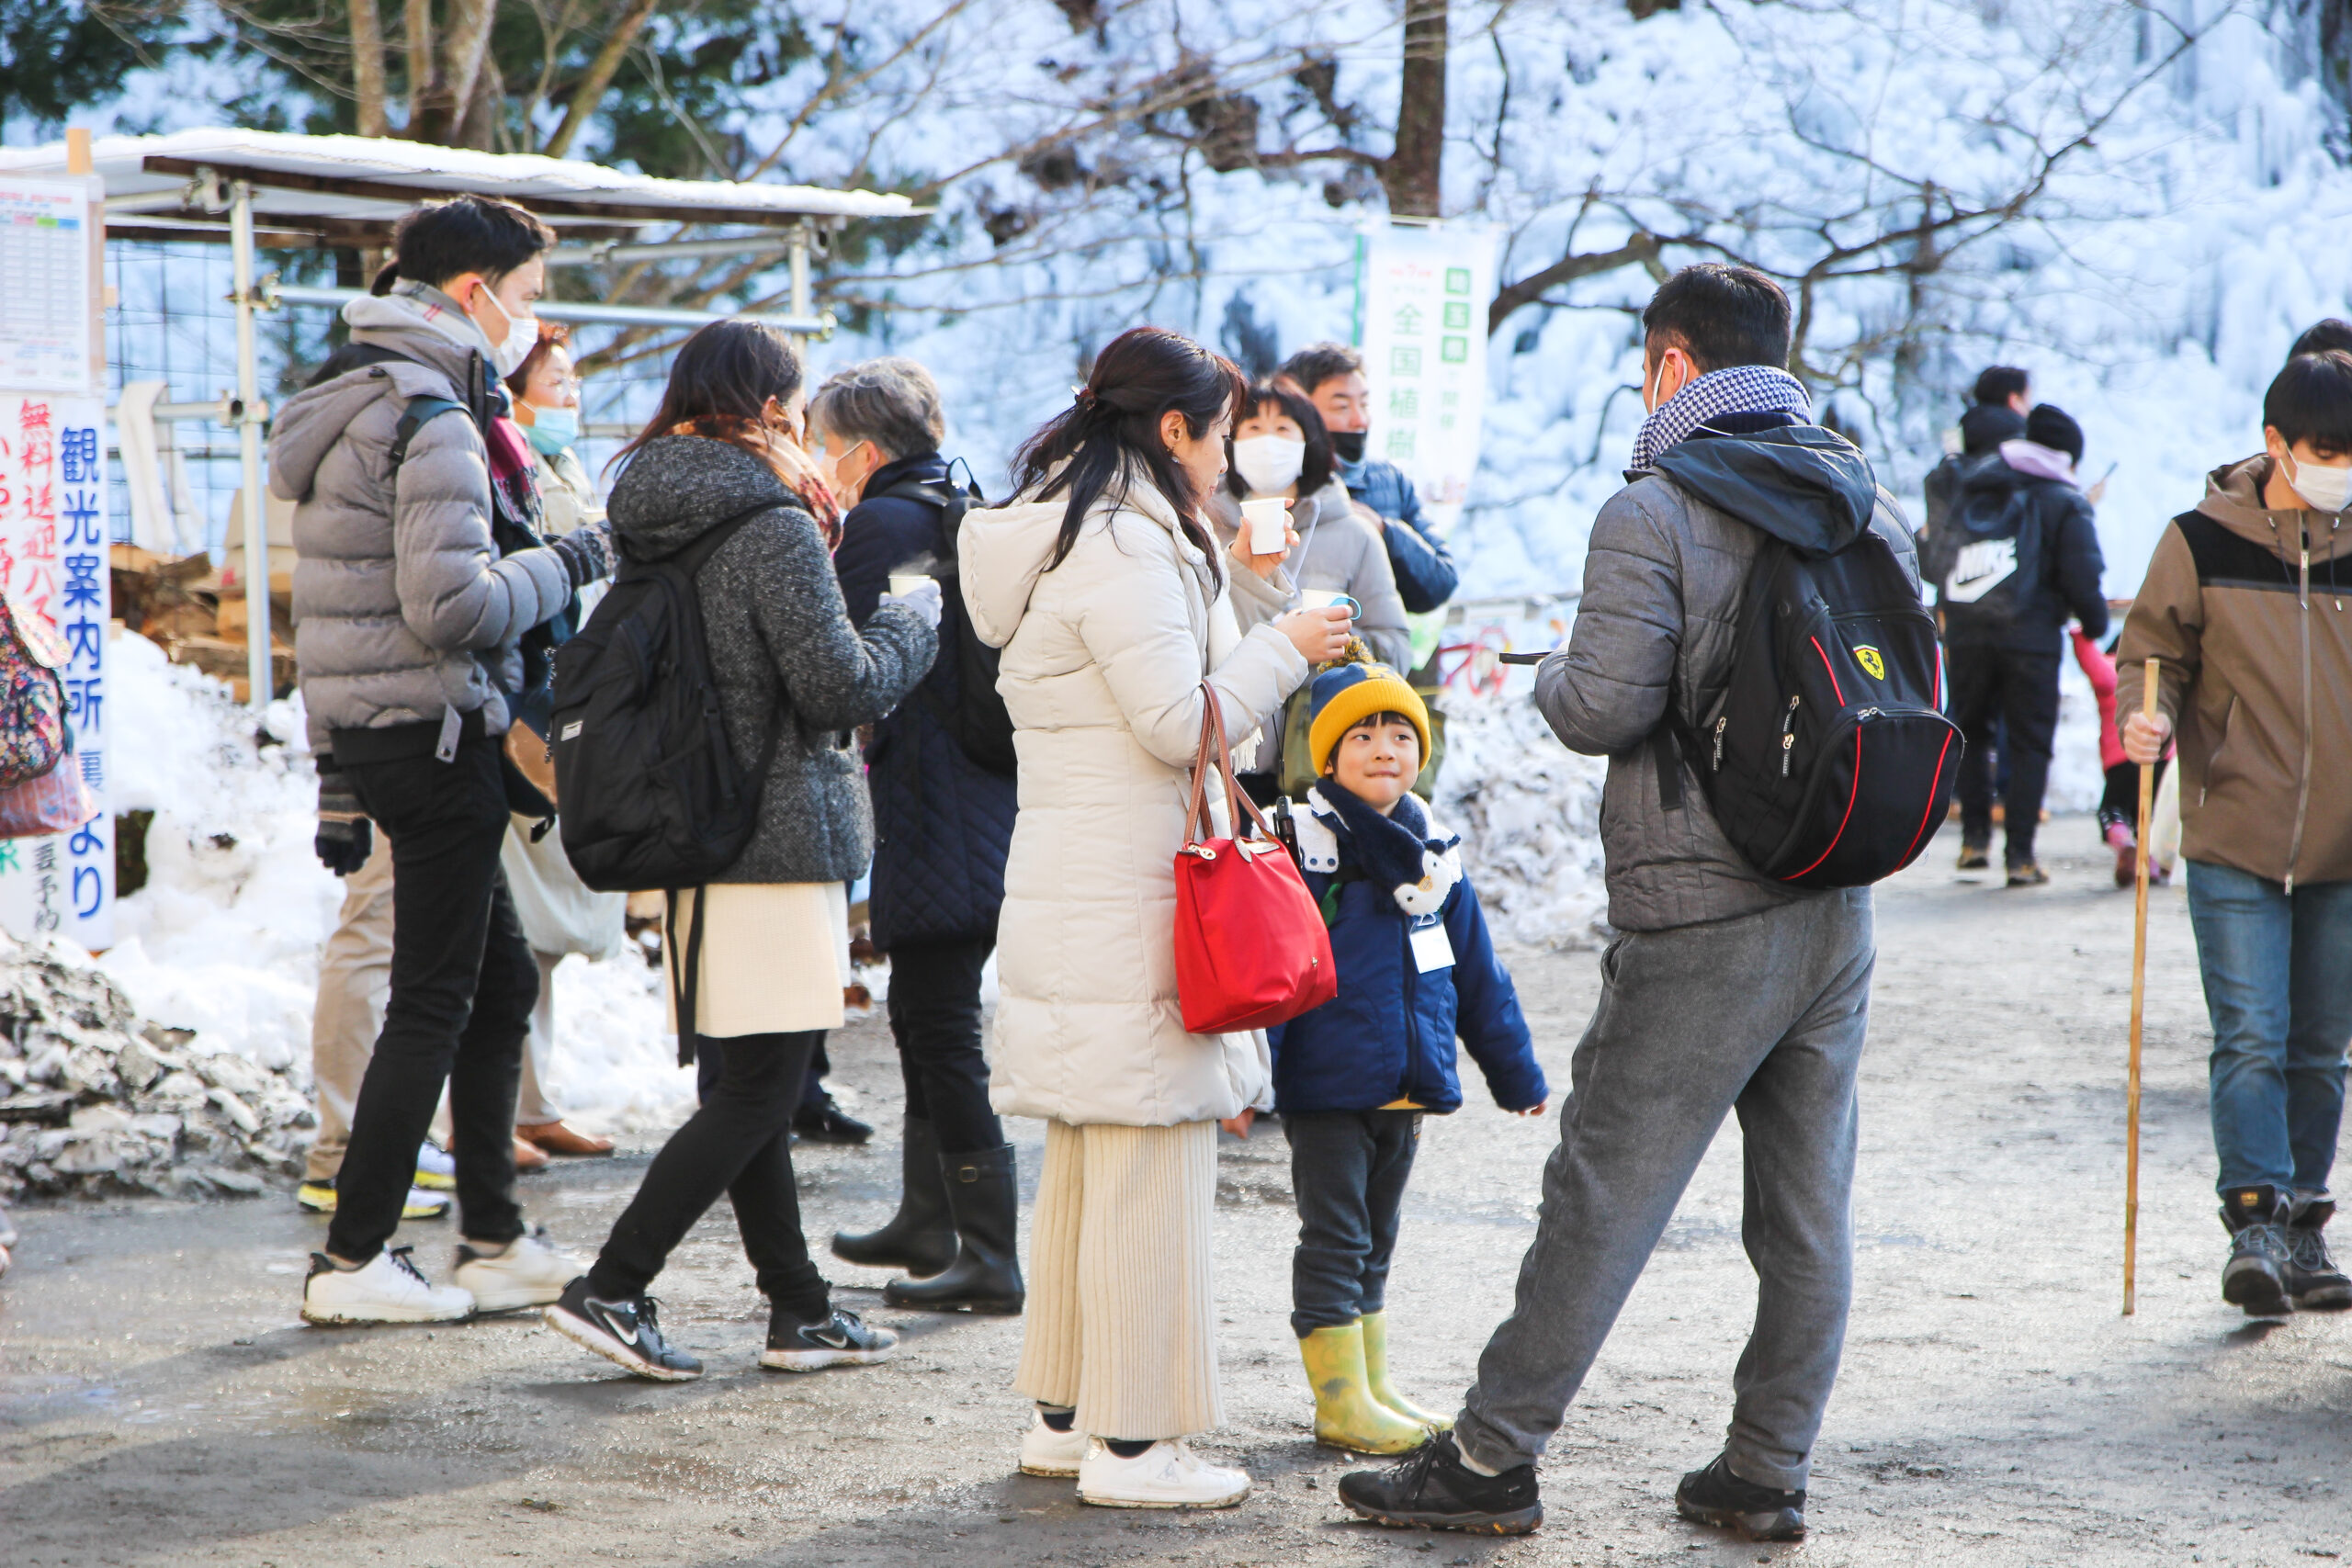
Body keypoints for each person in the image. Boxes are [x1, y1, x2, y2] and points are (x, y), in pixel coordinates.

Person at [1340, 264, 1911, 1542]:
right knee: (1807, 1204)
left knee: (1604, 1188)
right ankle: (1765, 1466)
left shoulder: (1656, 505)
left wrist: (1550, 670)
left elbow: (1601, 703)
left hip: (1704, 901)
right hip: (1834, 897)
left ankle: (1491, 1458)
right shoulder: (1857, 491)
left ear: (1670, 364)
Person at [960, 326, 1351, 1507]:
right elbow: (1182, 725)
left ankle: (1072, 1418)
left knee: (1091, 1154)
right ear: (1172, 429)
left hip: (1081, 884)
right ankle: (1137, 1447)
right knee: (1146, 1165)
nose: (1232, 450)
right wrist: (1285, 648)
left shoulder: (1080, 526)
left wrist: (1243, 584)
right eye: (1222, 429)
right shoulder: (1125, 542)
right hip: (1135, 895)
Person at [544, 320, 938, 1381]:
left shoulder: (656, 513)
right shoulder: (771, 523)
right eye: (796, 398)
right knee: (760, 1088)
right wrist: (915, 622)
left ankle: (797, 1307)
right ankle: (614, 1286)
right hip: (774, 834)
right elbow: (838, 687)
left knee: (748, 1082)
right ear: (768, 406)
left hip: (698, 829)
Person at [275, 194, 613, 1324]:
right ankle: (357, 1257)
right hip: (440, 734)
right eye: (525, 298)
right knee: (436, 994)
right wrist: (572, 560)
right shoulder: (435, 417)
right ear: (473, 295)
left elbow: (334, 618)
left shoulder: (354, 398)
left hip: (388, 739)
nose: (531, 322)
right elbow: (450, 605)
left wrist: (336, 777)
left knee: (499, 979)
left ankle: (492, 1238)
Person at [2118, 348, 2352, 1318]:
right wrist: (2151, 711)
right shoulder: (2199, 539)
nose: (2340, 466)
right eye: (2323, 450)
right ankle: (2253, 1218)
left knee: (2321, 1045)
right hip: (2233, 828)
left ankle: (2301, 1225)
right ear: (2272, 445)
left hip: (2344, 843)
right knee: (2250, 1036)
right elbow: (2152, 648)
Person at [1268, 660, 1547, 1455]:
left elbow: (1478, 974)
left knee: (1377, 1239)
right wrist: (1254, 1078)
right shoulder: (1305, 846)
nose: (1384, 747)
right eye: (1361, 734)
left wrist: (1515, 1073)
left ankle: (1372, 1386)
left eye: (1400, 733)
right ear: (1327, 757)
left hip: (1407, 1085)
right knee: (1335, 1237)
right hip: (1325, 1084)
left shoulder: (1435, 854)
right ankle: (1338, 1401)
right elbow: (1280, 971)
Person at [814, 356, 1023, 1314]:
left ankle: (986, 1251)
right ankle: (924, 1219)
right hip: (978, 796)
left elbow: (839, 662)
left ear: (864, 448)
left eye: (825, 445)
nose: (820, 462)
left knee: (940, 1027)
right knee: (927, 1018)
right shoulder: (962, 505)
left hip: (933, 803)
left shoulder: (883, 524)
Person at [502, 320, 624, 1159]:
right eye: (556, 379)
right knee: (514, 925)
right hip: (518, 704)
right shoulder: (501, 457)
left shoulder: (562, 462)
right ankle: (496, 1110)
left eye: (575, 379)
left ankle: (533, 1102)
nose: (571, 394)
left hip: (562, 695)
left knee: (543, 933)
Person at [1203, 378, 1410, 802]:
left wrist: (1334, 641)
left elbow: (1398, 649)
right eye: (1252, 430)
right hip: (1219, 755)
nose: (1267, 443)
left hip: (1321, 763)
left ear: (1308, 442)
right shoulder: (1201, 525)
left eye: (1283, 430)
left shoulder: (1354, 533)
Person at [1939, 401, 2109, 885]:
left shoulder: (1975, 484)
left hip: (1969, 631)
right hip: (2031, 638)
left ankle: (1974, 840)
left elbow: (1936, 558)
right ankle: (2021, 856)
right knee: (2030, 742)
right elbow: (2082, 574)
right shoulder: (2064, 499)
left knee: (1970, 730)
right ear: (2066, 456)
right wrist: (2095, 624)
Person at [1279, 343, 1459, 615]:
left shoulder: (1388, 481)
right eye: (1342, 407)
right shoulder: (1273, 482)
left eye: (1364, 404)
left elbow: (1440, 583)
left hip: (1375, 652)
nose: (1360, 420)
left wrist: (1385, 530)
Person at [2071, 626, 2171, 889]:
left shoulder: (2112, 671)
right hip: (2161, 757)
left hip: (2121, 761)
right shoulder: (2164, 677)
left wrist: (2080, 632)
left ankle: (2125, 844)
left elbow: (2089, 660)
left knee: (2113, 811)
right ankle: (2153, 859)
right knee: (2153, 815)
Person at [1922, 365, 2031, 539]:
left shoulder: (1953, 454)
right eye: (2027, 399)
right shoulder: (2027, 453)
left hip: (1957, 560)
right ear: (2014, 400)